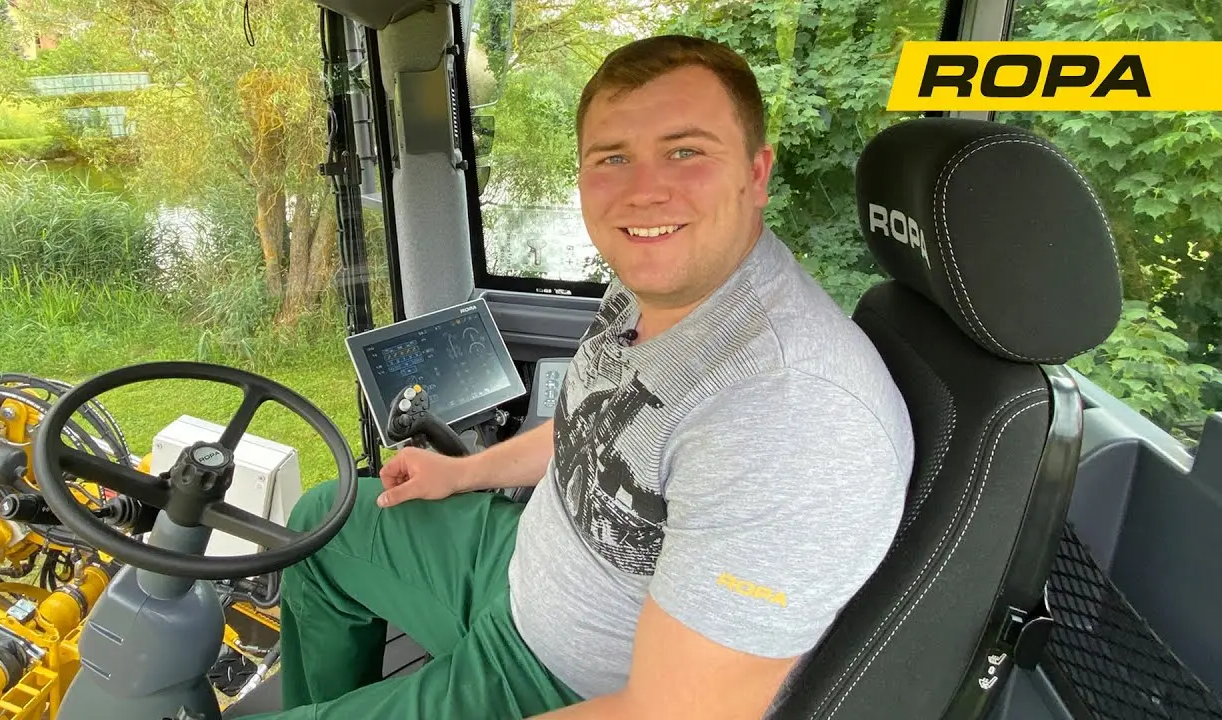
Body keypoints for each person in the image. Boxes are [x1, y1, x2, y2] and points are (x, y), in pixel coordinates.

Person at [240, 34, 913, 720]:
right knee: (322, 519)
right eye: (613, 158)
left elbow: (667, 714)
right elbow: (593, 426)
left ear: (757, 173)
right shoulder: (653, 286)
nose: (645, 191)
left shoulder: (790, 415)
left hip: (564, 680)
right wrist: (464, 472)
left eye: (686, 152)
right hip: (521, 564)